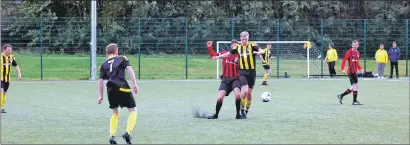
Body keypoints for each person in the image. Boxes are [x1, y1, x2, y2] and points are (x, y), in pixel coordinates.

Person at [213, 31, 264, 119]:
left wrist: (260, 52)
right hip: (242, 72)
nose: (244, 40)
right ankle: (242, 109)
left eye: (246, 39)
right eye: (243, 39)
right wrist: (217, 57)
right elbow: (227, 54)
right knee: (244, 91)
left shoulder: (252, 45)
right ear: (240, 39)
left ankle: (246, 109)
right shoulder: (237, 47)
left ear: (248, 38)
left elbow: (261, 50)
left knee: (249, 93)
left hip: (252, 72)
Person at [97, 43, 139, 144]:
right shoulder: (122, 58)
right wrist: (135, 84)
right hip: (122, 87)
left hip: (110, 89)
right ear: (117, 52)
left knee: (115, 113)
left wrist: (101, 96)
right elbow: (130, 71)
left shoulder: (103, 65)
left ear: (106, 53)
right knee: (133, 111)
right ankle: (127, 133)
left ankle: (112, 136)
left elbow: (100, 81)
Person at [206, 40, 244, 119]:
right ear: (231, 46)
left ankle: (238, 114)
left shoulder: (240, 55)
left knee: (237, 95)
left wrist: (240, 61)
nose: (235, 47)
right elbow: (213, 55)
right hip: (225, 80)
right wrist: (209, 47)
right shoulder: (225, 53)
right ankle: (216, 115)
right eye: (234, 45)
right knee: (220, 98)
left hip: (235, 79)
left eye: (236, 46)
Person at [337, 40, 364, 105]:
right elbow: (344, 60)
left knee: (354, 87)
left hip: (355, 72)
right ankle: (354, 101)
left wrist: (360, 68)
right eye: (353, 45)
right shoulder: (349, 52)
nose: (354, 46)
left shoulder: (357, 53)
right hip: (351, 71)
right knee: (356, 86)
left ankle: (341, 95)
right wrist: (342, 68)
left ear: (358, 45)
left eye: (356, 45)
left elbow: (357, 63)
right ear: (352, 45)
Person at [1, 44, 22, 113]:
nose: (10, 51)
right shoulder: (0, 57)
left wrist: (19, 73)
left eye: (10, 50)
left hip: (7, 79)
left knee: (4, 93)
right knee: (1, 91)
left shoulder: (11, 57)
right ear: (4, 49)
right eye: (8, 50)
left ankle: (2, 107)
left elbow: (16, 66)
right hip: (0, 78)